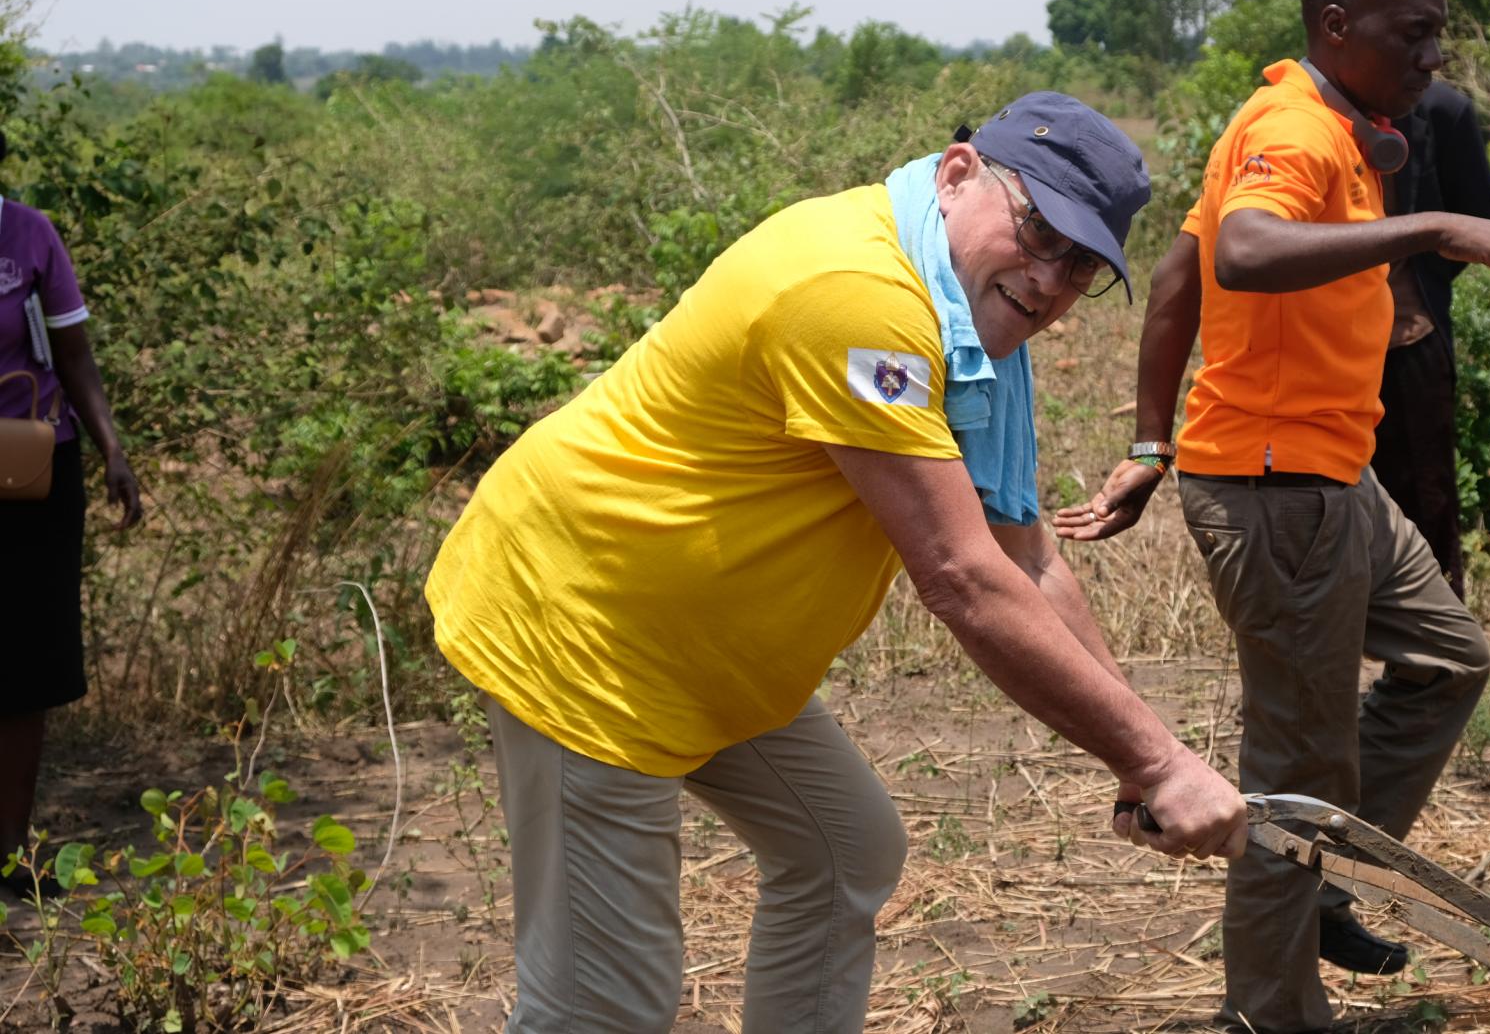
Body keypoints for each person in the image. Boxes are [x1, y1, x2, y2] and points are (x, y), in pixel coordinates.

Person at [424, 92, 1249, 1034]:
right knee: (603, 1009)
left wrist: (1147, 762)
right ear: (956, 173)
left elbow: (1024, 556)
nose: (1052, 281)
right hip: (588, 626)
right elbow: (961, 578)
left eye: (1083, 267)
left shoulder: (976, 318)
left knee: (842, 852)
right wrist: (1158, 757)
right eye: (1039, 231)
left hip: (705, 643)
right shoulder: (858, 296)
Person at [1054, 0, 1490, 1029]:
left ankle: (1320, 872)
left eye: (1437, 35)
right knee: (1298, 769)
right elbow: (1243, 249)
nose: (1433, 57)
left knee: (1449, 659)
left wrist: (1150, 440)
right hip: (1279, 493)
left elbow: (1182, 277)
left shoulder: (1330, 124)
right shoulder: (1296, 130)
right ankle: (1272, 1009)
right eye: (1411, 34)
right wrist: (1435, 226)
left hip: (1333, 477)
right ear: (1336, 24)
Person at [0, 131, 143, 899]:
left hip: (31, 475)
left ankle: (12, 853)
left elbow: (76, 357)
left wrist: (113, 451)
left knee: (27, 667)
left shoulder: (29, 235)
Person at [1373, 82, 1490, 597]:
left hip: (1410, 337)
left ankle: (1430, 659)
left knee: (1427, 503)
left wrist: (1415, 290)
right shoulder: (1304, 112)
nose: (1428, 58)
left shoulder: (1442, 111)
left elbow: (1477, 225)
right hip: (1322, 350)